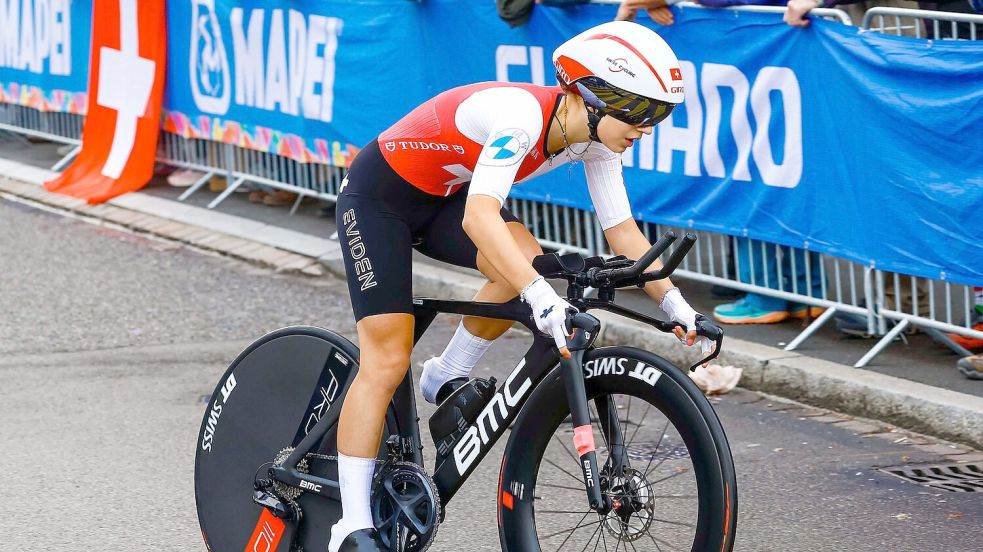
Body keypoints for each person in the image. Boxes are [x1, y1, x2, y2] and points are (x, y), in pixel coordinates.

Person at [331, 21, 718, 551]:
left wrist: (678, 307)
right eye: (643, 112)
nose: (648, 128)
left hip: (446, 194)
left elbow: (623, 232)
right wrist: (540, 298)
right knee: (386, 359)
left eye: (660, 115)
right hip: (380, 201)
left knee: (535, 266)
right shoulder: (522, 118)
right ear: (596, 96)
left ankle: (447, 374)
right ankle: (349, 524)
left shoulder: (597, 141)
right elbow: (479, 218)